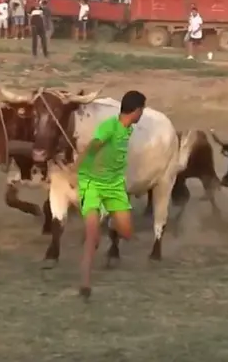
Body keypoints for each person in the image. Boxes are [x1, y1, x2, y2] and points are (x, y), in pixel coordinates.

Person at [76, 90, 146, 299]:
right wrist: (78, 167)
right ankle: (85, 284)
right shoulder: (109, 127)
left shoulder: (128, 130)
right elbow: (93, 146)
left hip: (115, 185)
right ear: (136, 110)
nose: (143, 113)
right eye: (142, 109)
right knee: (92, 237)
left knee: (126, 232)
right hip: (92, 184)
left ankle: (110, 219)